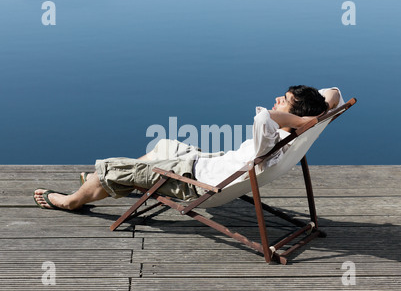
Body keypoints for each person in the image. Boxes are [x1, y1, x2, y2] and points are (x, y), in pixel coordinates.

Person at [33, 86, 344, 211]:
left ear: (293, 115)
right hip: (207, 164)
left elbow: (264, 116)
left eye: (285, 100)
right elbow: (334, 92)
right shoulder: (290, 137)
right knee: (165, 145)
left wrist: (298, 119)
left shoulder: (271, 139)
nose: (278, 99)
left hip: (193, 183)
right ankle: (119, 180)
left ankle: (73, 200)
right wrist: (311, 117)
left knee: (109, 168)